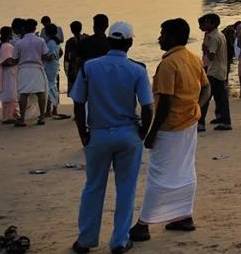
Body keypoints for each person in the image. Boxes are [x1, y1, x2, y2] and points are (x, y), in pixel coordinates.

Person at [70, 22, 153, 254]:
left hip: (98, 133)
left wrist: (83, 133)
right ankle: (119, 241)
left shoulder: (90, 67)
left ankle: (86, 240)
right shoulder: (137, 69)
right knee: (126, 189)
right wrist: (143, 132)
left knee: (93, 187)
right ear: (130, 43)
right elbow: (147, 107)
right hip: (128, 133)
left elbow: (78, 102)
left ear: (109, 41)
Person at [129, 18, 210, 243]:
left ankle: (143, 224)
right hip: (189, 124)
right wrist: (196, 107)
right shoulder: (193, 59)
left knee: (159, 174)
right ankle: (184, 216)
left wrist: (152, 132)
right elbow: (207, 88)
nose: (159, 38)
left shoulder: (168, 64)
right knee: (184, 169)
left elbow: (164, 102)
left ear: (172, 37)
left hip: (169, 127)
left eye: (162, 34)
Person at [14, 19, 54, 127]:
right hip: (37, 68)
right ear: (35, 28)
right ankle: (42, 117)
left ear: (24, 29)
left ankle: (22, 119)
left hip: (23, 69)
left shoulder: (19, 43)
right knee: (40, 92)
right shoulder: (40, 41)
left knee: (23, 93)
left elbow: (15, 59)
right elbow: (45, 55)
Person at [197, 14, 231, 132]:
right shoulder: (218, 35)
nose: (205, 24)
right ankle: (224, 120)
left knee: (205, 97)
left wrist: (205, 49)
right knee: (221, 97)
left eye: (207, 22)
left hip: (214, 71)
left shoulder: (215, 38)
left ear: (212, 23)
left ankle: (200, 123)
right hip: (219, 70)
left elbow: (211, 56)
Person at [0, 26, 19, 124]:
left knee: (10, 94)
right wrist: (16, 62)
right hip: (9, 74)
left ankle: (12, 115)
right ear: (9, 35)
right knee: (10, 94)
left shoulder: (1, 45)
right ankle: (8, 117)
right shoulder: (7, 46)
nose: (13, 35)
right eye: (11, 33)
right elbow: (6, 61)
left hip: (5, 74)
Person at [43, 23, 67, 120]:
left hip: (50, 66)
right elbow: (60, 52)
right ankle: (53, 109)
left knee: (49, 87)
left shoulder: (51, 43)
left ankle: (49, 110)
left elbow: (50, 57)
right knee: (53, 86)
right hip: (54, 66)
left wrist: (41, 57)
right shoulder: (55, 42)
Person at [65, 21, 88, 95]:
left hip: (73, 68)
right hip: (84, 66)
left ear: (71, 30)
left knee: (75, 92)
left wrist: (66, 71)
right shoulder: (86, 38)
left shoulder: (70, 41)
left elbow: (66, 58)